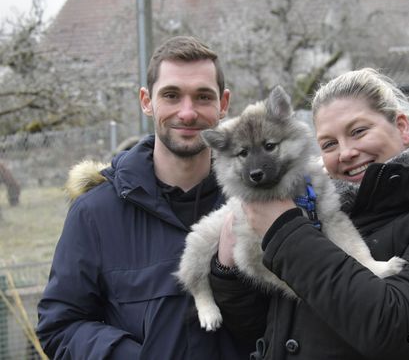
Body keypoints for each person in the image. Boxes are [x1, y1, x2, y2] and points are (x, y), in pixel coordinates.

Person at [210, 68, 409, 359]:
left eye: (358, 131)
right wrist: (227, 271)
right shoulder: (325, 208)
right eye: (329, 143)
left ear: (402, 127)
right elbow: (265, 327)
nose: (345, 152)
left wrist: (285, 233)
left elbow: (397, 329)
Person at [37, 36, 252, 359]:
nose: (188, 112)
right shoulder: (94, 214)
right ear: (146, 100)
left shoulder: (257, 203)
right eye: (171, 95)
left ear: (223, 104)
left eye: (202, 97)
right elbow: (59, 327)